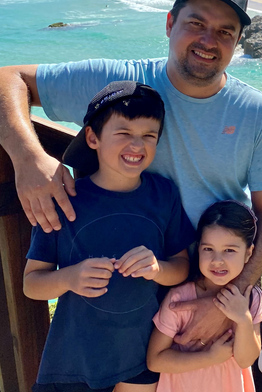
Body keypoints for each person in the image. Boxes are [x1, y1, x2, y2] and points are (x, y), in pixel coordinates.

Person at [0, 0, 262, 345]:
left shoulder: (258, 113)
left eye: (225, 32)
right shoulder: (122, 86)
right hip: (127, 287)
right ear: (169, 24)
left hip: (214, 287)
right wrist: (29, 158)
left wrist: (232, 296)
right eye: (196, 23)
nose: (209, 40)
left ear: (237, 42)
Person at [23, 81, 196, 392]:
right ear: (93, 137)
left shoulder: (163, 194)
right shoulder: (65, 201)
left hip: (141, 354)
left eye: (148, 136)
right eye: (124, 134)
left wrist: (157, 267)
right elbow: (32, 283)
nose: (137, 146)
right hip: (75, 359)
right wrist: (70, 278)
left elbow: (181, 267)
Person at [147, 200, 262, 392]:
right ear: (198, 249)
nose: (217, 261)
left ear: (248, 253)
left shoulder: (251, 298)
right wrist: (209, 358)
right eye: (208, 249)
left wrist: (243, 321)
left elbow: (246, 360)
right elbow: (155, 360)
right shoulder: (180, 299)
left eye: (229, 250)